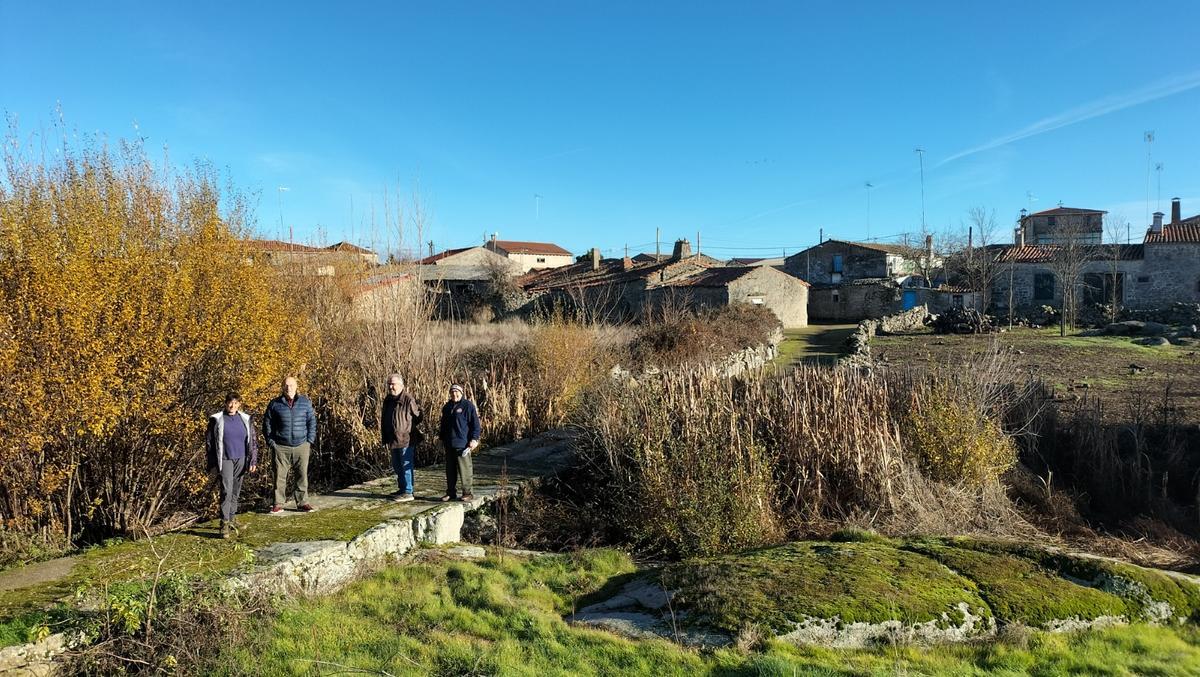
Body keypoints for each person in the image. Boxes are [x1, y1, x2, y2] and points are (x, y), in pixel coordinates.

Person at [205, 393, 258, 538]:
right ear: (225, 403)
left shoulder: (245, 419)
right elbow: (209, 443)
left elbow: (252, 440)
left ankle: (233, 518)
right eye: (230, 402)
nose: (232, 406)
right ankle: (224, 524)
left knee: (235, 490)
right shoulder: (217, 419)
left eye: (235, 403)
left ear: (239, 404)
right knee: (226, 491)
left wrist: (253, 460)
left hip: (241, 459)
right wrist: (211, 464)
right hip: (225, 459)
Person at [263, 376, 317, 513]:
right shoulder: (274, 404)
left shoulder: (305, 402)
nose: (289, 388)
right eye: (286, 385)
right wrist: (271, 442)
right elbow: (267, 424)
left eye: (292, 385)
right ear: (282, 387)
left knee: (302, 475)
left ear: (297, 386)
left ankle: (303, 502)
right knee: (279, 477)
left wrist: (309, 440)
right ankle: (278, 504)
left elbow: (311, 421)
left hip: (302, 445)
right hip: (281, 446)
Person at [381, 373, 421, 502]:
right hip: (392, 438)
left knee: (405, 466)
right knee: (397, 465)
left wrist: (407, 428)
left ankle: (408, 491)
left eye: (393, 384)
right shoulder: (388, 400)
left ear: (401, 385)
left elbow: (418, 416)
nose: (391, 387)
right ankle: (402, 489)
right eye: (389, 384)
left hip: (406, 439)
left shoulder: (408, 399)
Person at [438, 384, 481, 502]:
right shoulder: (447, 407)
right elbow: (443, 426)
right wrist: (441, 440)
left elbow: (475, 425)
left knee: (465, 469)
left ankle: (468, 493)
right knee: (450, 470)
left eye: (457, 392)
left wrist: (474, 439)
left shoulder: (467, 406)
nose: (454, 394)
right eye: (452, 392)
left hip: (462, 444)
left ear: (461, 393)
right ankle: (451, 493)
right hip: (449, 443)